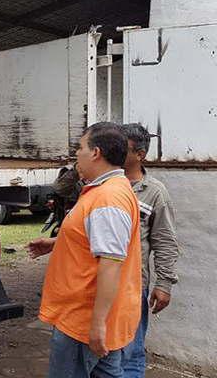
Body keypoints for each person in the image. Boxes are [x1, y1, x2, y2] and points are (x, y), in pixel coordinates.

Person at [28, 122, 141, 378]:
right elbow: (100, 242)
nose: (76, 154)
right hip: (89, 318)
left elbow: (111, 263)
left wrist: (98, 325)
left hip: (83, 320)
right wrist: (59, 243)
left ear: (96, 153)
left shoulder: (108, 199)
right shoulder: (107, 192)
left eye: (80, 147)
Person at [120, 123, 179, 377]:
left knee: (131, 352)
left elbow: (165, 241)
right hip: (96, 282)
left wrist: (164, 283)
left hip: (133, 285)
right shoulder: (100, 182)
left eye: (121, 148)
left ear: (139, 155)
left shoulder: (154, 192)